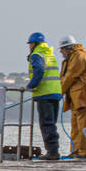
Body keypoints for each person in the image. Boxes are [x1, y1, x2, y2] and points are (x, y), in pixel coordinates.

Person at [25, 32, 62, 160]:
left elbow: (39, 70)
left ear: (34, 44)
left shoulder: (36, 55)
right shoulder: (50, 54)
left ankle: (52, 152)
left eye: (30, 44)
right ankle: (54, 150)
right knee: (52, 123)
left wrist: (31, 85)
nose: (29, 47)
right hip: (55, 93)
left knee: (46, 124)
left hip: (44, 93)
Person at [58, 35, 86, 158]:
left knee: (84, 126)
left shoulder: (79, 56)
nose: (61, 52)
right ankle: (75, 151)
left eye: (62, 49)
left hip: (83, 97)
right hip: (75, 98)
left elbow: (71, 76)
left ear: (67, 48)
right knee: (75, 126)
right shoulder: (70, 58)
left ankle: (85, 152)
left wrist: (60, 91)